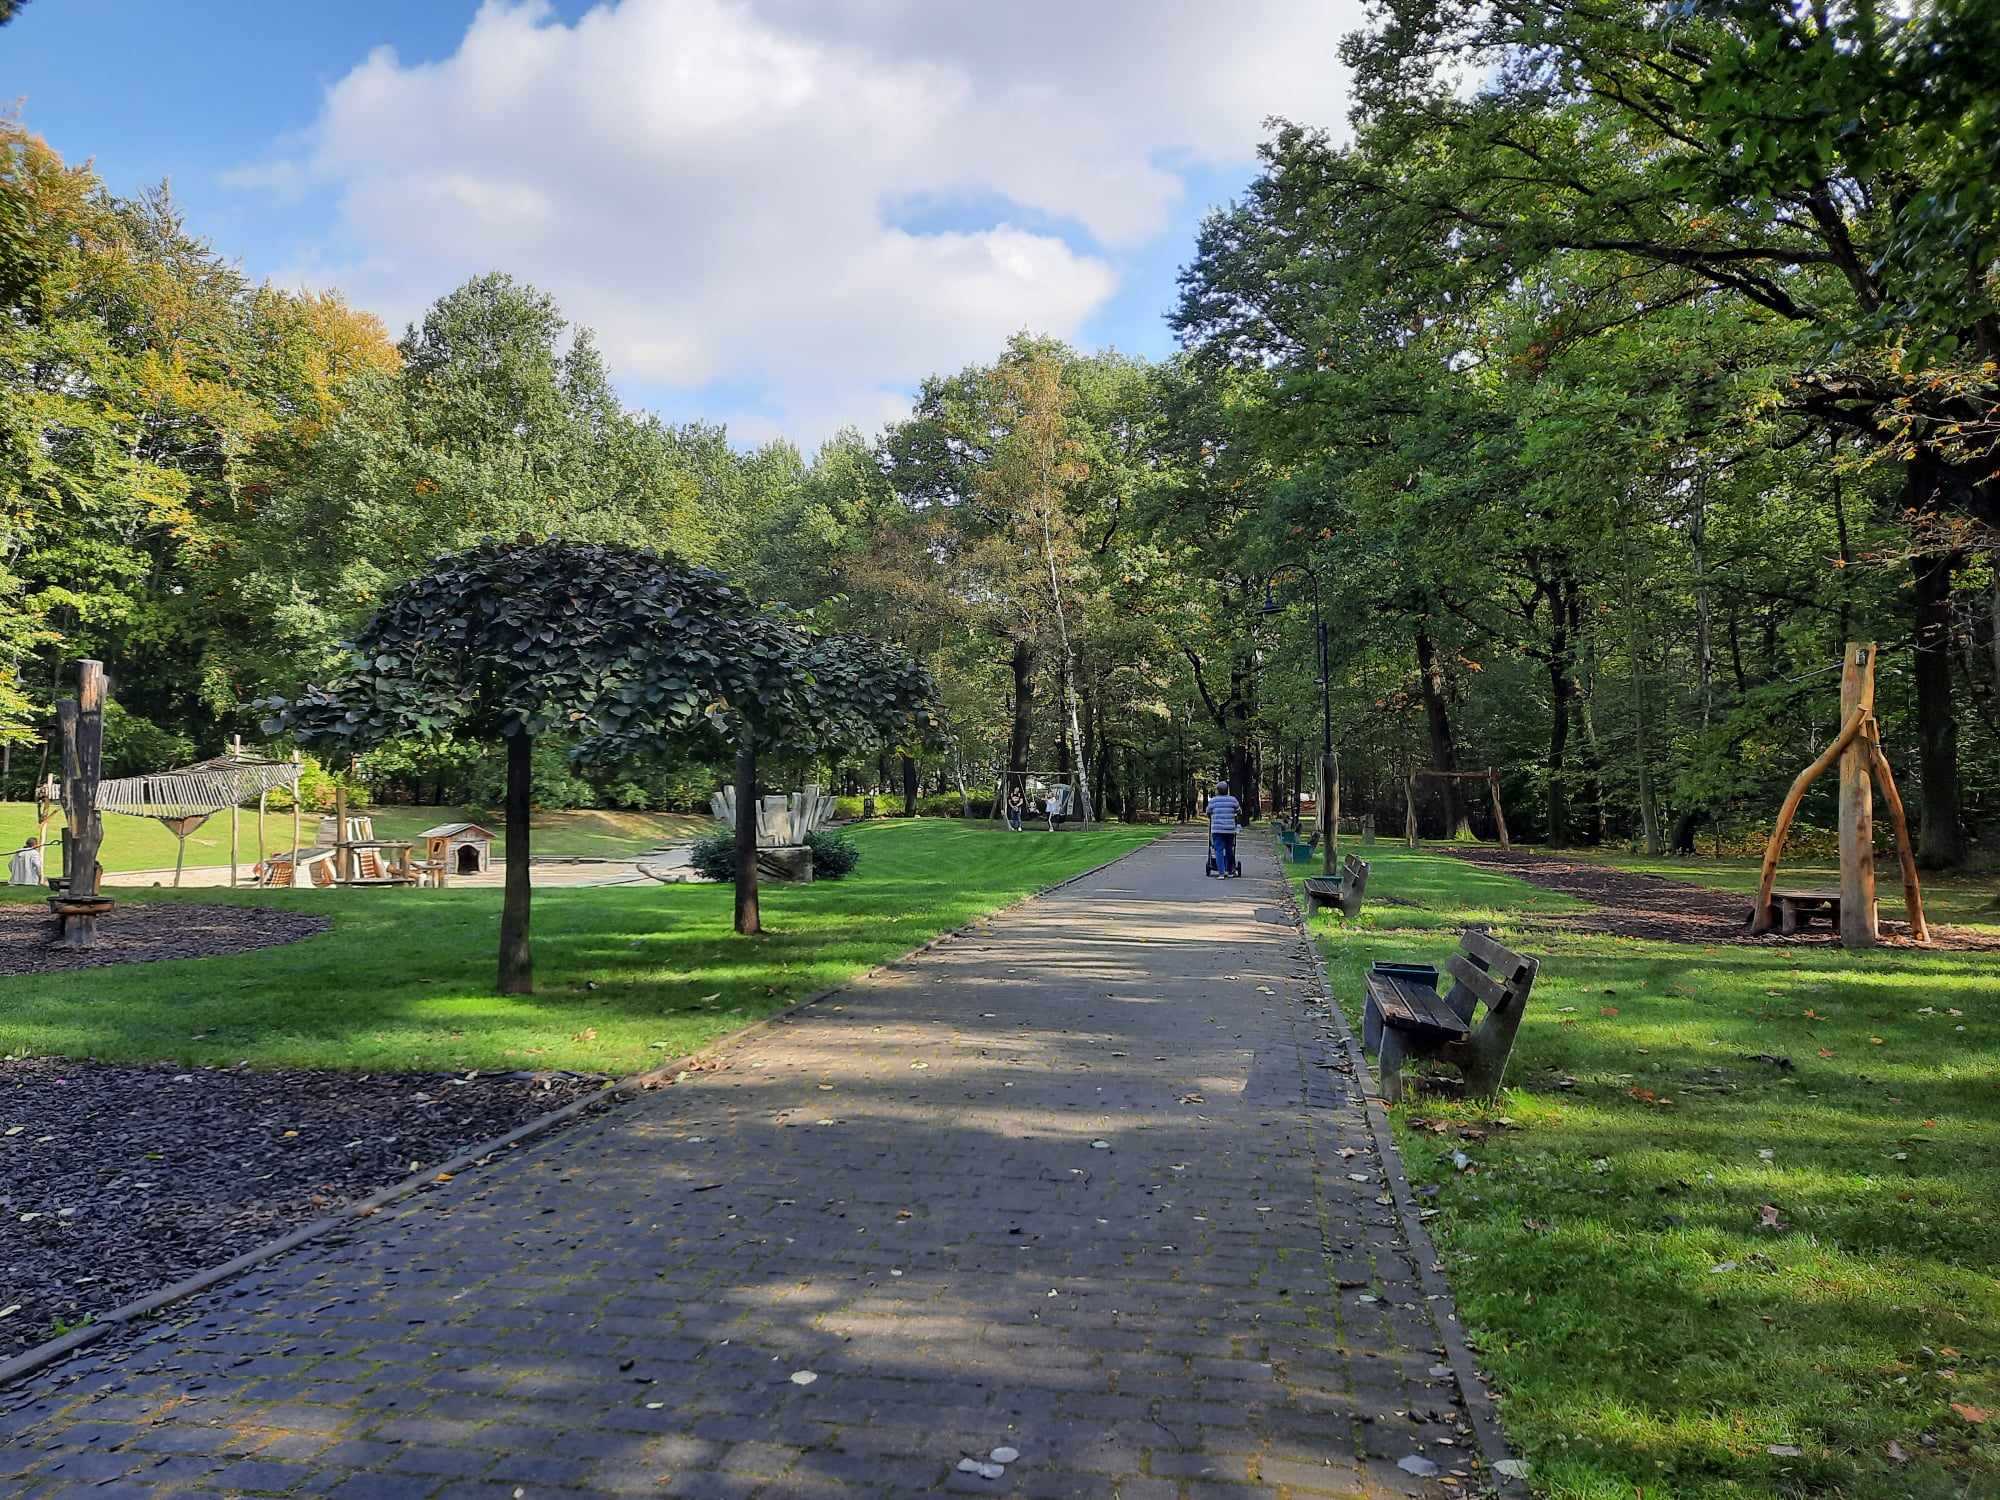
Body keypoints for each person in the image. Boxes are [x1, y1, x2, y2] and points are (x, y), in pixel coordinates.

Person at [1208, 779, 1241, 878]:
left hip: (1217, 829)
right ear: (1227, 790)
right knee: (1229, 849)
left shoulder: (1213, 801)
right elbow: (1239, 811)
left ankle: (1221, 873)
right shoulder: (1233, 800)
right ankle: (1230, 871)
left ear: (1218, 791)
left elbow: (1208, 812)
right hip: (1230, 829)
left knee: (1218, 850)